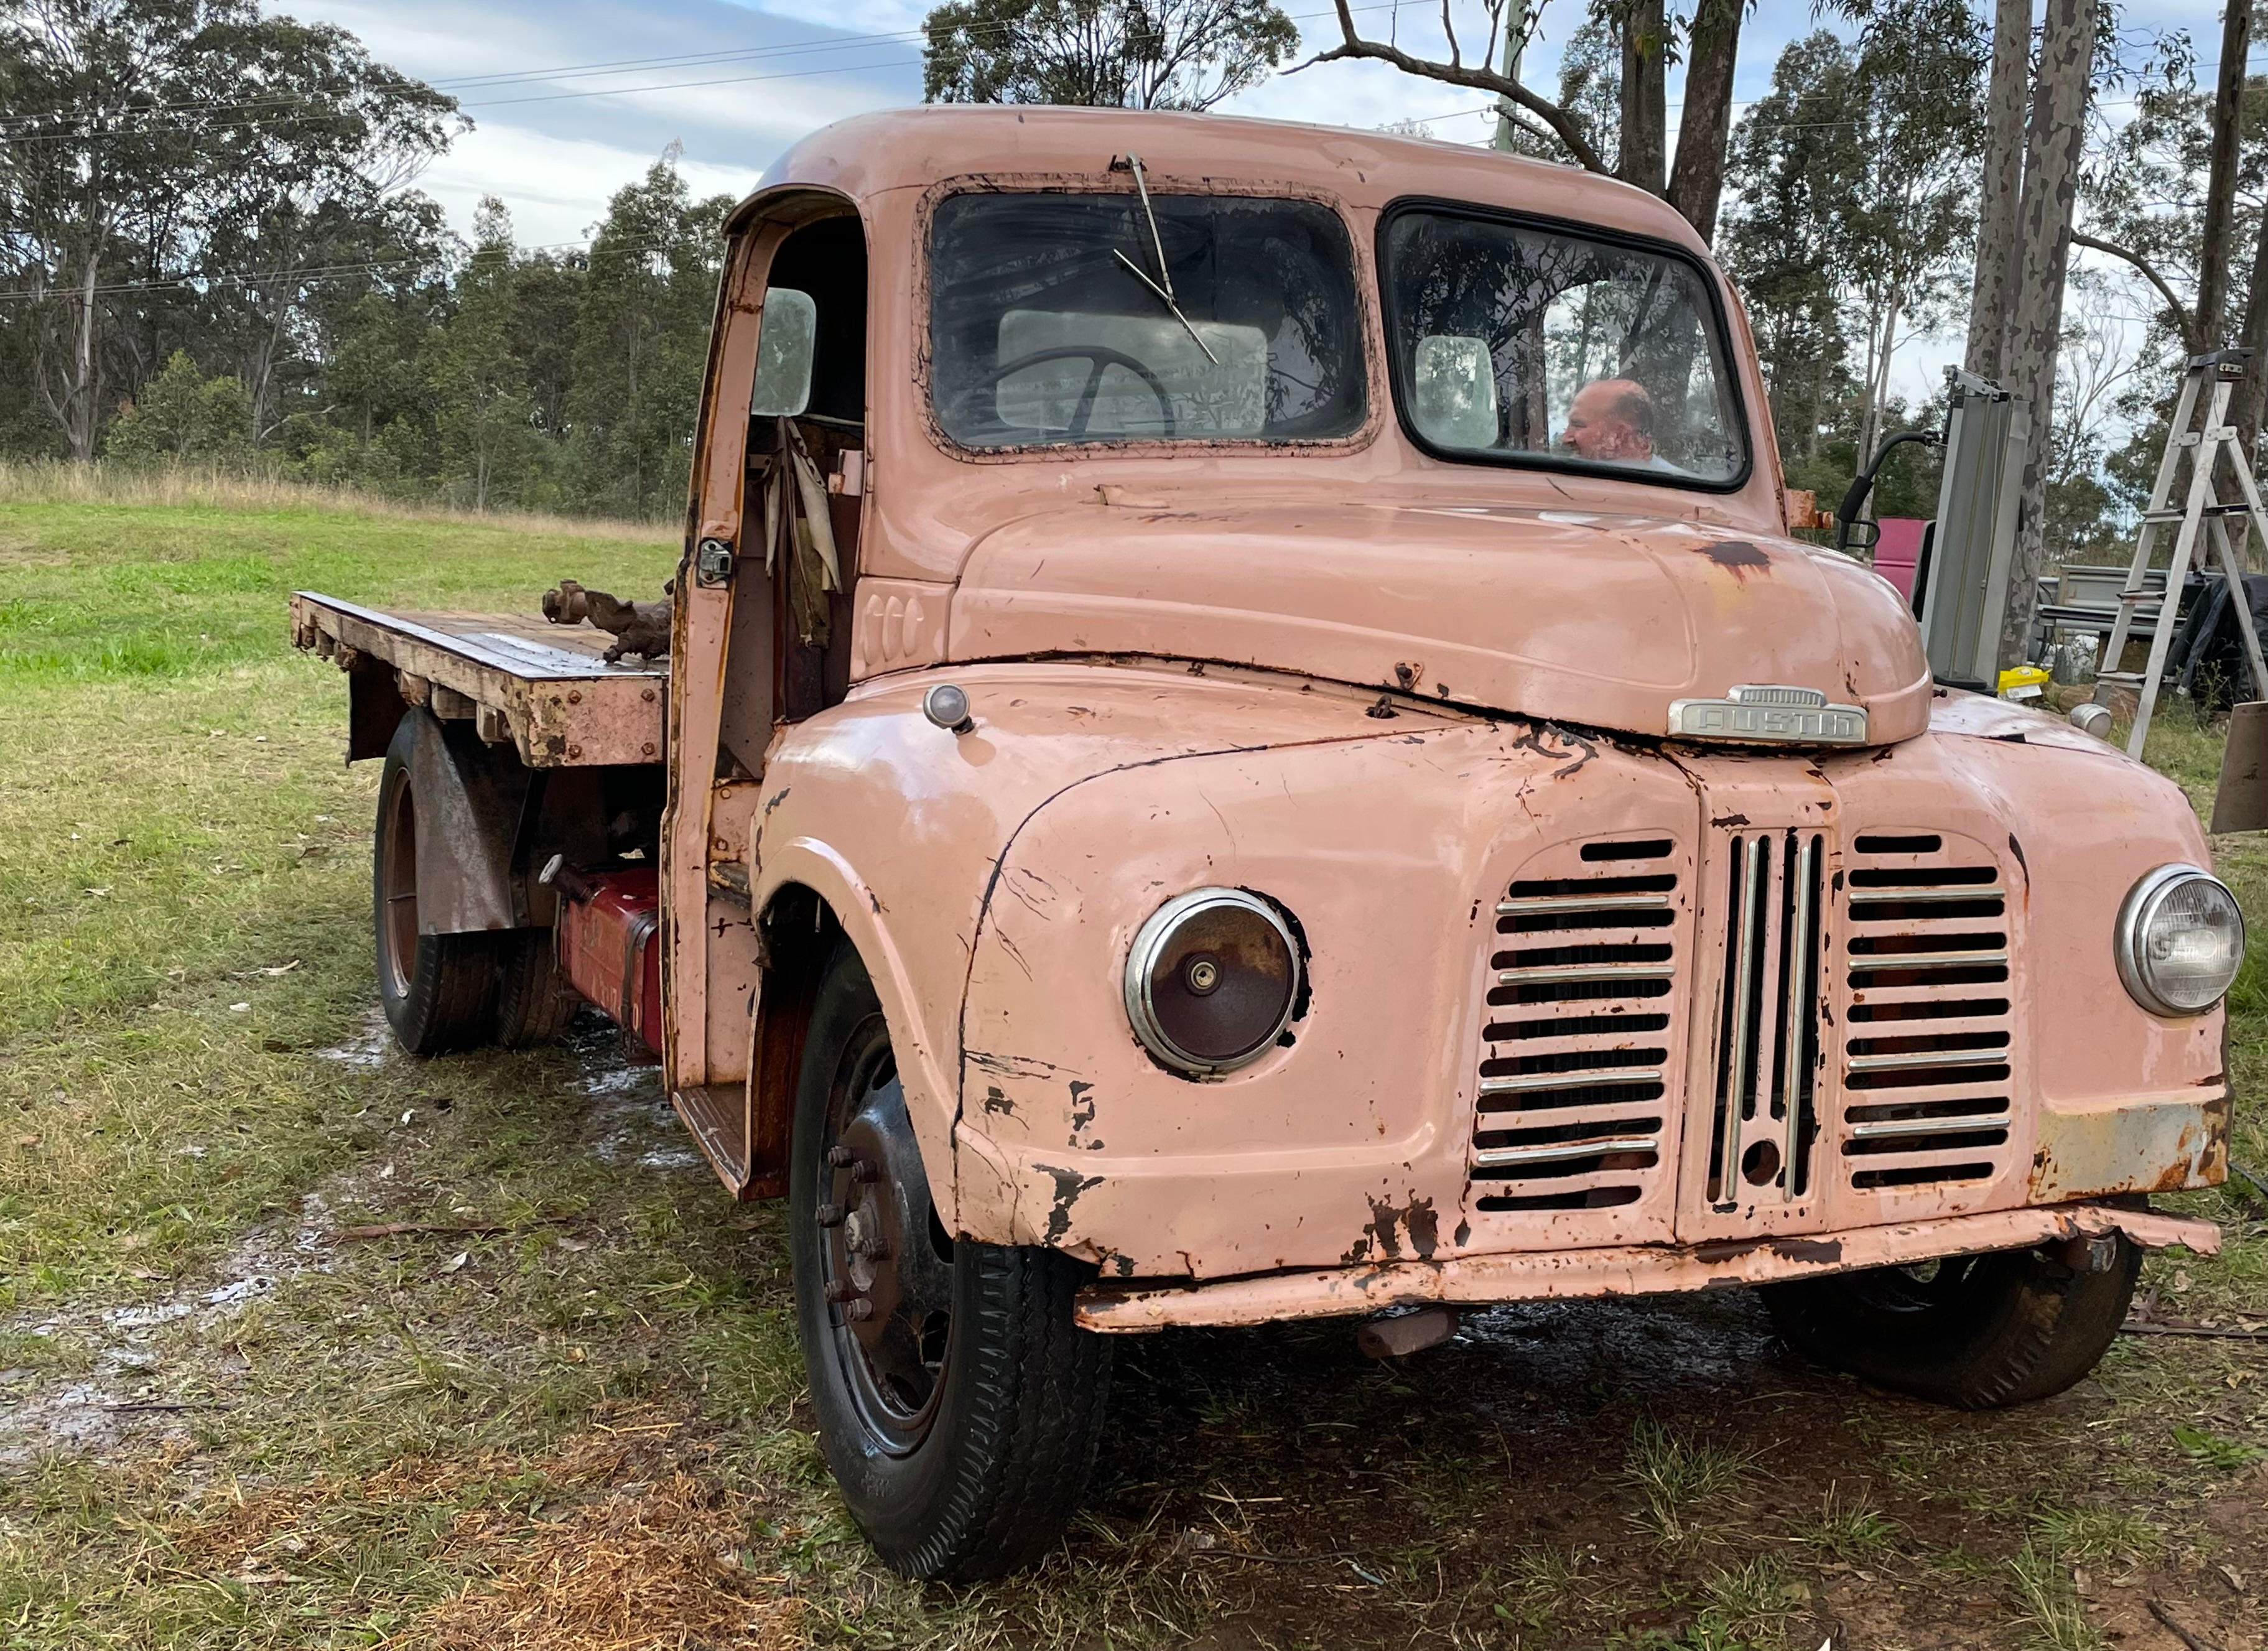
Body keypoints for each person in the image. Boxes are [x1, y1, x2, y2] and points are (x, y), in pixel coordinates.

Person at [1560, 377, 1675, 469]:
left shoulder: (1670, 487)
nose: (1565, 438)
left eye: (1578, 426)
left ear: (1619, 435)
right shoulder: (1568, 476)